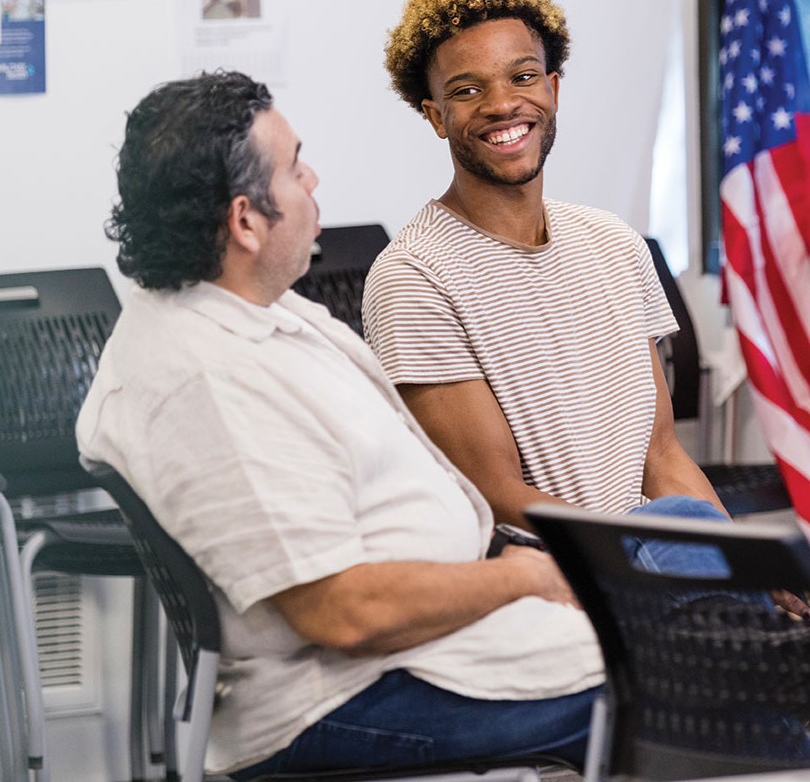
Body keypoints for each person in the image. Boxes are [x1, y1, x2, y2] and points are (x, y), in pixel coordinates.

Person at [76, 71, 605, 778]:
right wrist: (521, 580)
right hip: (347, 698)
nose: (314, 178)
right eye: (295, 167)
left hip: (429, 642)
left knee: (690, 549)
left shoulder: (249, 311)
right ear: (245, 220)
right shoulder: (205, 381)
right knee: (694, 675)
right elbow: (340, 612)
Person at [362, 0, 729, 527]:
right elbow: (494, 495)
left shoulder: (614, 244)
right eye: (467, 89)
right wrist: (644, 558)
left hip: (648, 568)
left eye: (524, 76)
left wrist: (738, 564)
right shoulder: (414, 277)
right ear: (436, 115)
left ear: (553, 89)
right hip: (552, 586)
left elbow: (660, 455)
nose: (503, 103)